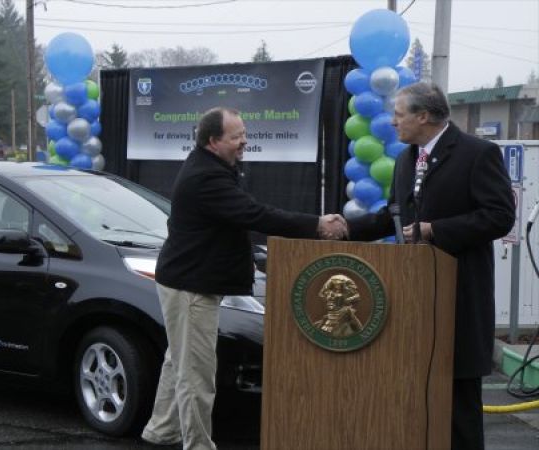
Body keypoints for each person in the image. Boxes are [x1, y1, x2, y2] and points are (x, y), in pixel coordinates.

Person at [141, 107, 347, 449]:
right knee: (195, 377)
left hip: (189, 282)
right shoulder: (206, 177)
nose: (244, 142)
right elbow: (254, 214)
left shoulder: (214, 168)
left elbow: (237, 219)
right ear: (213, 141)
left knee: (179, 362)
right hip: (191, 288)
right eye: (236, 137)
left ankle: (160, 433)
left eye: (244, 134)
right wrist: (316, 224)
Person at [346, 82, 515, 450]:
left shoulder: (477, 153)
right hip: (414, 304)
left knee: (458, 410)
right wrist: (341, 229)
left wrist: (435, 230)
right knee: (416, 403)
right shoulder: (408, 158)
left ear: (423, 116)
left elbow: (500, 217)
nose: (392, 122)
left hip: (459, 302)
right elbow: (392, 216)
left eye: (399, 114)